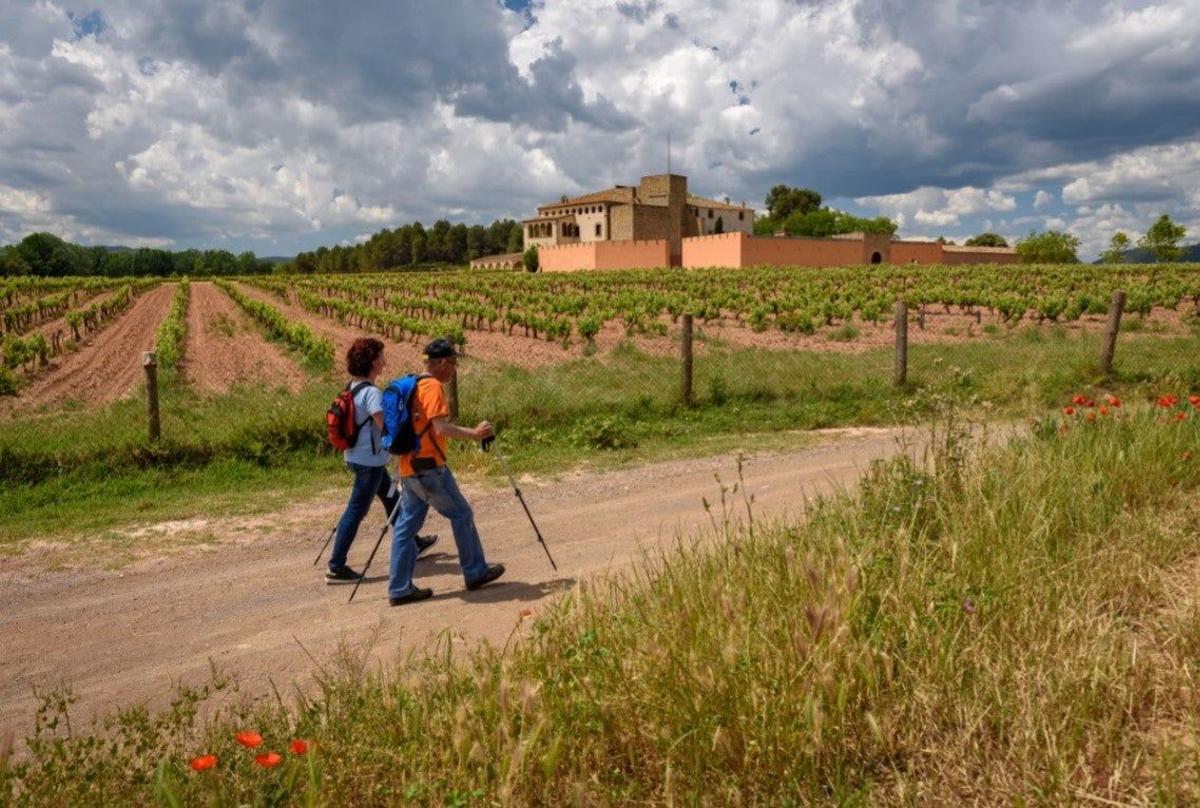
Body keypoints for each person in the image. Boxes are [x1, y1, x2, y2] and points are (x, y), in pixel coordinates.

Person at [387, 338, 505, 605]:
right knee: (462, 514)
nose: (454, 368)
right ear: (441, 363)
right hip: (429, 468)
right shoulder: (432, 388)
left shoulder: (412, 385)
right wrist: (476, 434)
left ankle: (398, 588)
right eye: (452, 362)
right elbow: (440, 428)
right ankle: (475, 572)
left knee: (406, 527)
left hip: (407, 467)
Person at [327, 338, 436, 583]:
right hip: (370, 464)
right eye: (382, 357)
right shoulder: (372, 394)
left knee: (392, 498)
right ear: (374, 361)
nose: (385, 361)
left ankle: (414, 543)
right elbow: (387, 429)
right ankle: (336, 566)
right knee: (356, 511)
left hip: (357, 457)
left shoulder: (352, 387)